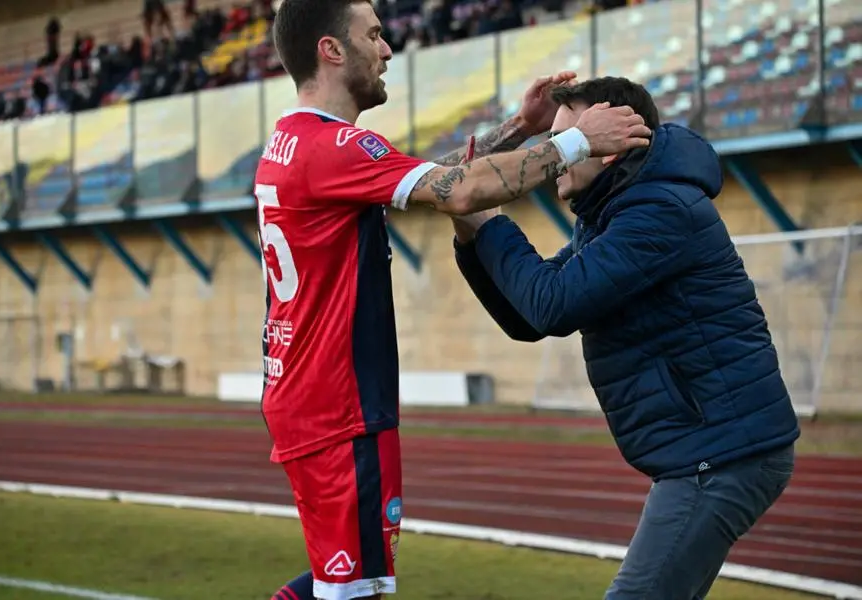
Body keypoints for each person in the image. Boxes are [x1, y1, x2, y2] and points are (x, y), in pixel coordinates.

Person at [256, 2, 653, 599]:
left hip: (313, 395)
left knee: (341, 583)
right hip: (338, 407)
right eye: (374, 35)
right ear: (330, 51)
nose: (387, 49)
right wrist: (574, 142)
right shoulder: (331, 146)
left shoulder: (301, 141)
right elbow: (462, 192)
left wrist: (520, 129)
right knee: (354, 591)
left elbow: (437, 179)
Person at [451, 76, 801, 599]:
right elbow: (528, 319)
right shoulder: (617, 213)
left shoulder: (659, 212)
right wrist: (473, 232)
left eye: (569, 142)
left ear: (612, 151)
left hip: (723, 453)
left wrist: (493, 225)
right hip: (711, 449)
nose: (555, 158)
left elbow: (553, 304)